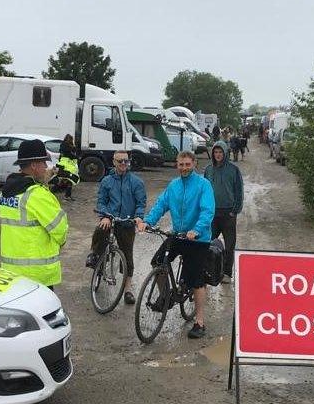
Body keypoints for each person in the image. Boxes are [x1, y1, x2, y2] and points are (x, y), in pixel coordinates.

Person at [137, 151, 216, 338]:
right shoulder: (173, 185)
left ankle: (199, 322)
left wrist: (196, 230)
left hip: (197, 238)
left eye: (188, 164)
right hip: (178, 235)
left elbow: (207, 211)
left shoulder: (204, 185)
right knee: (157, 262)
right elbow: (160, 205)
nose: (184, 168)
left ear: (194, 164)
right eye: (181, 164)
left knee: (196, 281)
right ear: (176, 165)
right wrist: (148, 221)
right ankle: (166, 296)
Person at [0, 139, 68, 289]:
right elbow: (60, 230)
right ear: (34, 165)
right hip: (36, 275)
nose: (46, 167)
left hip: (10, 272)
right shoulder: (37, 195)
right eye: (44, 163)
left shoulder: (5, 193)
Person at [86, 150, 147, 305]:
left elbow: (141, 203)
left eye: (125, 161)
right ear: (113, 162)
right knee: (100, 230)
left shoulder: (136, 182)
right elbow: (101, 201)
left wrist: (138, 217)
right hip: (110, 219)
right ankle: (95, 256)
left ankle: (127, 290)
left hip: (126, 222)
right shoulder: (106, 181)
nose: (123, 164)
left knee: (127, 256)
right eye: (119, 161)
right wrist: (105, 215)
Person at [204, 141, 243, 284]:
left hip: (228, 214)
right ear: (213, 154)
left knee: (229, 245)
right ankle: (207, 271)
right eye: (215, 152)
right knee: (207, 243)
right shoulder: (208, 170)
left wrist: (235, 210)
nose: (218, 155)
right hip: (212, 213)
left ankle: (227, 273)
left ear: (225, 153)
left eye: (220, 152)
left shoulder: (233, 170)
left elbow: (239, 191)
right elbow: (204, 190)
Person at [56, 134, 80, 201]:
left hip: (62, 164)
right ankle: (67, 195)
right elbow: (70, 155)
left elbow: (62, 156)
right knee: (70, 180)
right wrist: (76, 157)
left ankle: (66, 195)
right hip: (68, 165)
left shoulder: (62, 146)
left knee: (65, 180)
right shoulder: (68, 147)